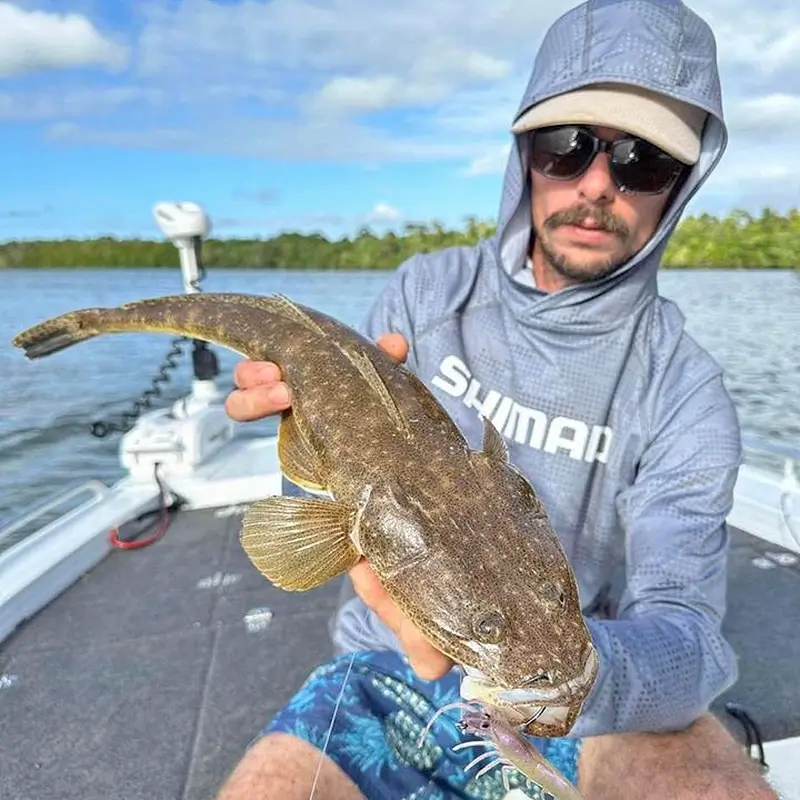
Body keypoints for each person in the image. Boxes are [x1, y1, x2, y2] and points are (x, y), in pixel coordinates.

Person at [216, 0, 779, 798]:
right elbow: (305, 515)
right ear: (524, 152)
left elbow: (689, 634)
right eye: (567, 146)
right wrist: (301, 435)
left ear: (679, 188)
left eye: (643, 162)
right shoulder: (423, 295)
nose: (596, 184)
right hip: (384, 661)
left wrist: (571, 675)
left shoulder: (684, 392)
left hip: (590, 691)